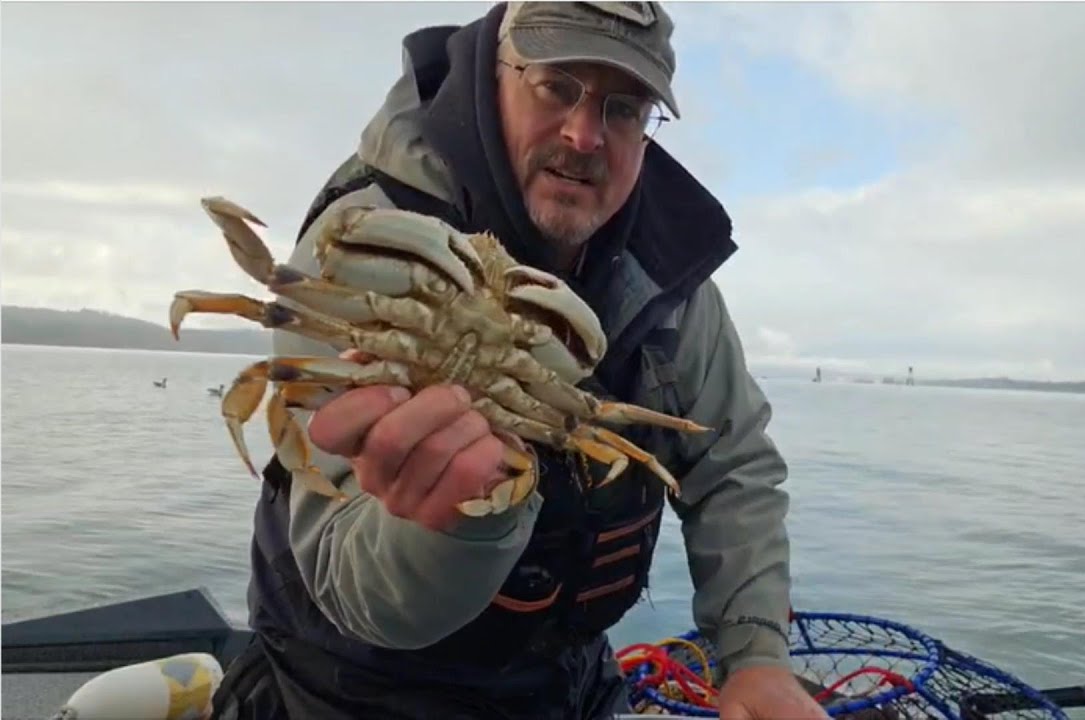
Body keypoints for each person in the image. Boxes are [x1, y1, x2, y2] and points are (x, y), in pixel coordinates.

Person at [210, 2, 828, 719]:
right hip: (353, 693)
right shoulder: (363, 244)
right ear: (490, 75)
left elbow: (733, 466)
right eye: (557, 87)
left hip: (564, 684)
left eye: (624, 109)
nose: (583, 133)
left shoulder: (667, 280)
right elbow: (353, 588)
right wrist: (462, 519)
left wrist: (754, 656)